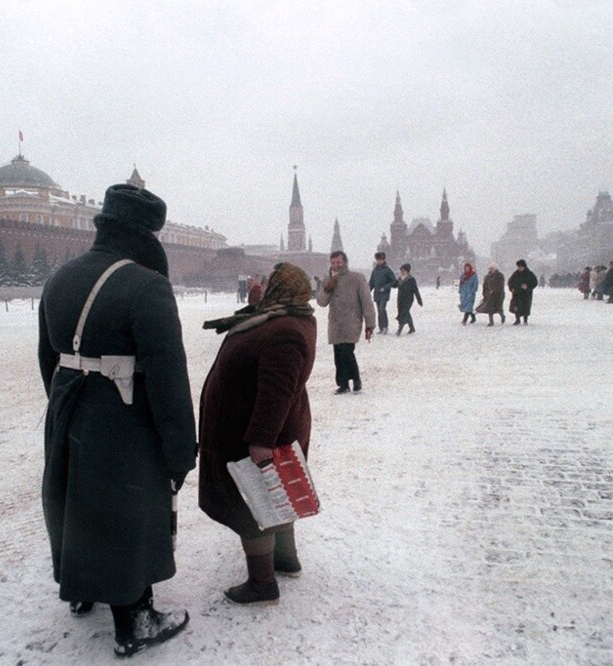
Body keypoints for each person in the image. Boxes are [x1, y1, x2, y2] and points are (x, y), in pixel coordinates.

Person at [37, 183, 196, 658]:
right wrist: (179, 450)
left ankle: (82, 587)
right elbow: (169, 376)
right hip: (126, 420)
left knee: (74, 500)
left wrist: (70, 405)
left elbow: (49, 358)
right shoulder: (147, 285)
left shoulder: (60, 278)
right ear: (148, 233)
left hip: (68, 408)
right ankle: (134, 619)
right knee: (127, 510)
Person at [199, 263, 317, 605]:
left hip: (255, 432)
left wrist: (262, 441)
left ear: (282, 287)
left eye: (269, 282)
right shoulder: (286, 317)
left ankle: (262, 583)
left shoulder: (285, 331)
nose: (264, 286)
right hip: (265, 425)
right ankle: (285, 559)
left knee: (253, 505)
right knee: (276, 495)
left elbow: (276, 391)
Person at [316, 251, 376, 394]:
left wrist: (370, 324)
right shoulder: (327, 280)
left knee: (347, 351)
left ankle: (356, 380)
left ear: (345, 262)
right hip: (335, 323)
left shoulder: (356, 278)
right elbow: (321, 302)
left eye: (339, 262)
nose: (336, 265)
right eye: (333, 263)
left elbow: (367, 302)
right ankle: (343, 384)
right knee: (338, 354)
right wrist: (327, 289)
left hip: (351, 321)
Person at [368, 251, 398, 334]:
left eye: (380, 259)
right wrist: (367, 292)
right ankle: (381, 328)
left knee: (382, 309)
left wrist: (385, 287)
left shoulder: (388, 270)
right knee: (379, 310)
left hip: (385, 293)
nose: (378, 261)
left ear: (383, 259)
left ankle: (385, 327)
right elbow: (371, 283)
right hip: (377, 293)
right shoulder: (375, 271)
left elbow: (394, 282)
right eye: (377, 260)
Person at [507, 259, 538, 325]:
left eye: (521, 267)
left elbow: (535, 282)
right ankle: (517, 319)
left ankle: (525, 320)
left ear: (524, 266)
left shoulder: (529, 274)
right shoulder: (515, 274)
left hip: (526, 294)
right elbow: (510, 281)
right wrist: (511, 288)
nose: (520, 268)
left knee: (525, 307)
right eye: (518, 267)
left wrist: (527, 286)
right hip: (516, 294)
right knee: (516, 307)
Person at [394, 263, 423, 335]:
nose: (402, 272)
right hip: (400, 299)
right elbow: (394, 285)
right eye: (401, 270)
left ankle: (399, 330)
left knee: (403, 314)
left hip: (408, 300)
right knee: (405, 313)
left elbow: (416, 291)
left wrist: (419, 300)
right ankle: (412, 328)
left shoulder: (411, 279)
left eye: (403, 271)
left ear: (407, 271)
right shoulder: (399, 279)